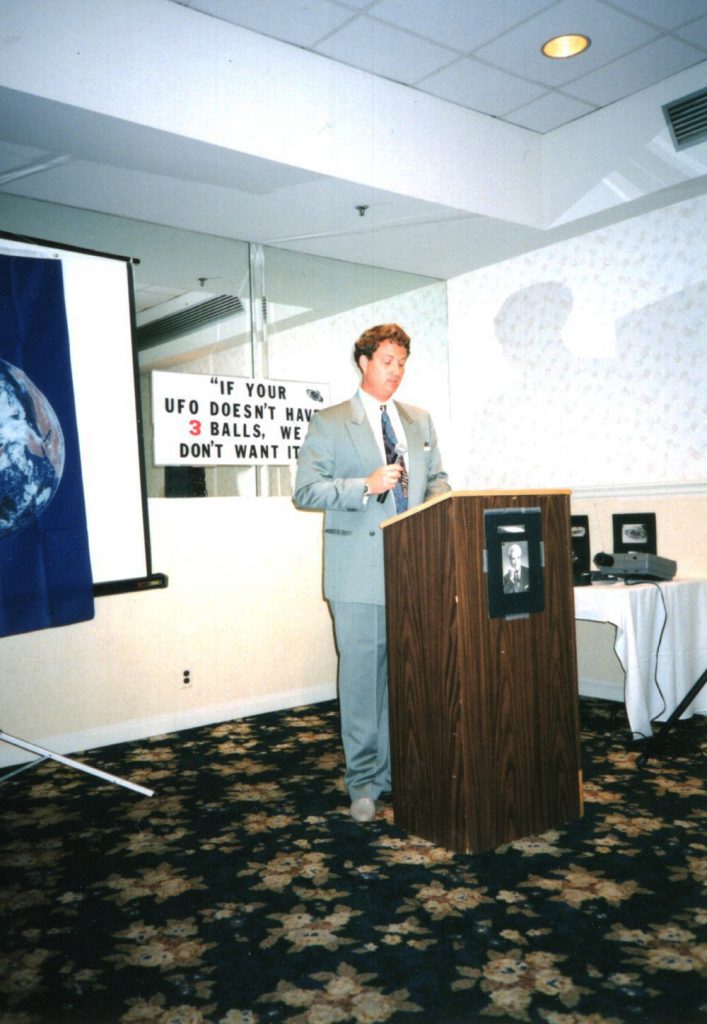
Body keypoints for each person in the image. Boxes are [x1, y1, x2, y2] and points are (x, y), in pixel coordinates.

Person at [293, 323, 450, 823]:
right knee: (363, 681)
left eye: (402, 362)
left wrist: (441, 505)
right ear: (363, 362)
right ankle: (362, 782)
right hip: (358, 572)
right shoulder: (331, 421)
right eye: (387, 361)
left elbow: (438, 478)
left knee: (406, 680)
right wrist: (364, 484)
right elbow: (306, 491)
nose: (396, 371)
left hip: (415, 569)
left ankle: (396, 771)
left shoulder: (419, 420)